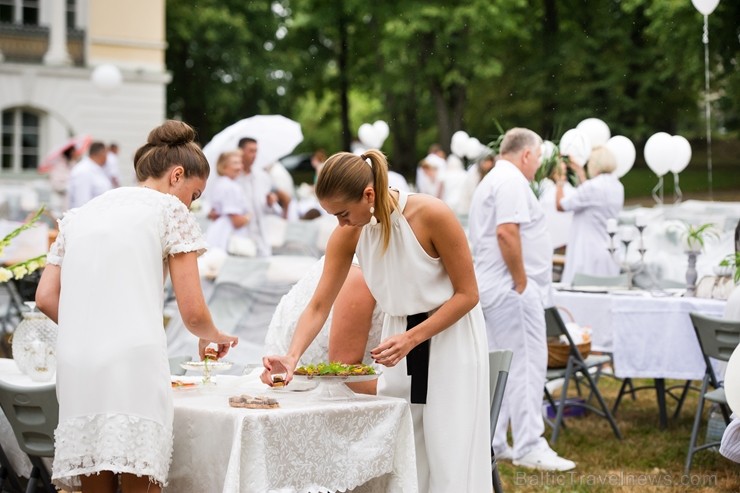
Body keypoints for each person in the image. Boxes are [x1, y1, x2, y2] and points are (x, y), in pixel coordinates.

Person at [261, 149, 491, 492]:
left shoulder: (432, 214)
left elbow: (468, 295)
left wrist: (414, 338)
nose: (339, 223)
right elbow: (319, 304)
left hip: (448, 335)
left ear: (368, 194)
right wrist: (292, 356)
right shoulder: (349, 232)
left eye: (342, 213)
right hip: (397, 338)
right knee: (406, 449)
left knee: (449, 450)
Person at [34, 120, 239, 493]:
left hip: (79, 363)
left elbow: (46, 297)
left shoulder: (80, 215)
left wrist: (89, 324)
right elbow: (192, 312)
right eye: (195, 193)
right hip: (133, 361)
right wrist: (216, 336)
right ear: (177, 176)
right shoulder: (170, 211)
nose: (192, 204)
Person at [468, 127, 576, 471]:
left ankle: (496, 441)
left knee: (502, 368)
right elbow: (506, 231)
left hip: (492, 289)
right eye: (538, 158)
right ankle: (530, 444)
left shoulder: (491, 180)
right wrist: (521, 282)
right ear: (526, 154)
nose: (538, 165)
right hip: (510, 291)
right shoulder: (512, 181)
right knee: (528, 365)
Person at [264, 256, 384, 394]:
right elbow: (345, 370)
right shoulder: (361, 275)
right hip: (303, 368)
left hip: (353, 365)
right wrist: (399, 390)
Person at [555, 146, 624, 285]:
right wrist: (580, 172)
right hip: (610, 249)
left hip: (588, 251)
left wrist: (560, 181)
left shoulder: (593, 187)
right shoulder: (617, 185)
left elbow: (561, 205)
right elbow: (589, 196)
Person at [205, 150, 251, 252]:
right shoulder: (231, 187)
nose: (240, 167)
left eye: (240, 162)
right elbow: (237, 221)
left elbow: (213, 213)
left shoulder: (220, 183)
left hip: (217, 230)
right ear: (224, 167)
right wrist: (249, 216)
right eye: (235, 163)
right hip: (227, 234)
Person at [236, 137, 275, 256]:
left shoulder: (262, 176)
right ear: (241, 151)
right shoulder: (233, 178)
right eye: (251, 151)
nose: (254, 155)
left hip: (261, 234)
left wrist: (270, 203)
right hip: (241, 236)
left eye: (256, 151)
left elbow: (270, 210)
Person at [67, 142, 112, 209]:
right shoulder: (84, 171)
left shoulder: (96, 169)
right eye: (106, 154)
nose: (107, 158)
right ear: (101, 153)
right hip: (89, 217)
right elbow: (82, 203)